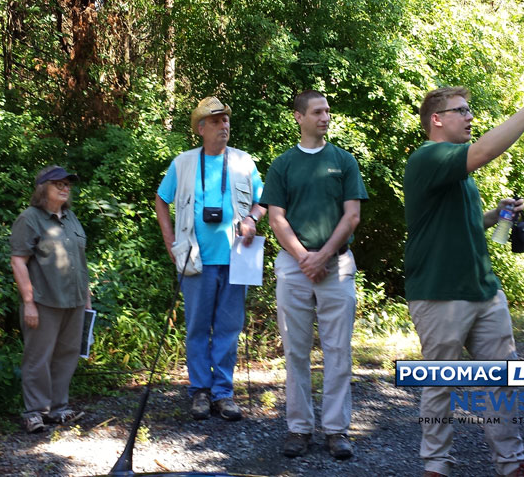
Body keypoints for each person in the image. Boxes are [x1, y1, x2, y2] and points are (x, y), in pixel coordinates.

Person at [404, 73, 524, 477]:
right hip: (439, 293)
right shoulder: (427, 158)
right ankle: (436, 466)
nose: (469, 117)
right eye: (460, 111)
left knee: (501, 381)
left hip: (483, 291)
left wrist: (494, 215)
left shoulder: (459, 176)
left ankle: (511, 462)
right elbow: (483, 152)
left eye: (469, 110)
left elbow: (461, 225)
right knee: (441, 383)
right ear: (437, 121)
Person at [260, 90, 368, 460]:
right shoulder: (283, 164)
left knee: (338, 351)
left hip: (336, 265)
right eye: (318, 112)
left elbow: (352, 216)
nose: (325, 117)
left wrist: (322, 256)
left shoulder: (344, 161)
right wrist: (305, 257)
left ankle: (336, 430)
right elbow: (276, 218)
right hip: (294, 266)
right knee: (296, 352)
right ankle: (299, 428)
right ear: (299, 117)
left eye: (328, 112)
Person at [155, 97, 265, 422]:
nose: (224, 126)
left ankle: (223, 393)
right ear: (201, 128)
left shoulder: (244, 161)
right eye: (216, 121)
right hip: (195, 259)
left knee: (230, 328)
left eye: (226, 120)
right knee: (198, 328)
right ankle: (200, 391)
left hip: (238, 257)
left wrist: (253, 220)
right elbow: (162, 201)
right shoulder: (184, 163)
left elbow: (264, 201)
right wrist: (170, 242)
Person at [10, 165, 91, 433]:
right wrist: (29, 302)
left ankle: (59, 409)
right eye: (59, 184)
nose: (66, 188)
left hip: (75, 300)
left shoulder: (71, 219)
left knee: (67, 355)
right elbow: (19, 261)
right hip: (44, 301)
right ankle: (35, 412)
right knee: (38, 357)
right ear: (43, 188)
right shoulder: (30, 218)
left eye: (68, 184)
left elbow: (80, 261)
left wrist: (87, 299)